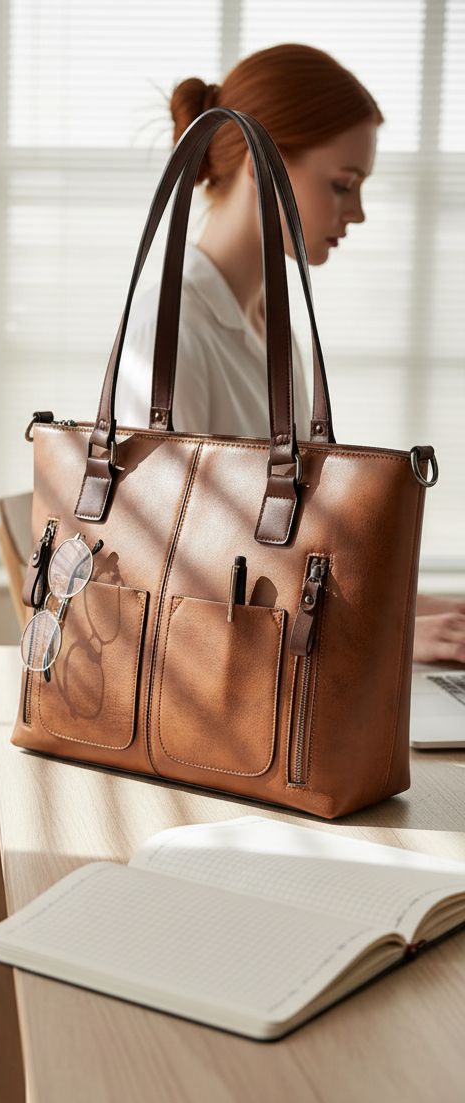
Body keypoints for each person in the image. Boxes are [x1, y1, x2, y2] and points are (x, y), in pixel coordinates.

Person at [115, 43, 465, 667]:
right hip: (219, 697)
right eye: (343, 184)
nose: (356, 213)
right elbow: (169, 569)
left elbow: (287, 544)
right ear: (260, 161)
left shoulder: (274, 333)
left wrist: (406, 605)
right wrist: (386, 633)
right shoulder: (170, 334)